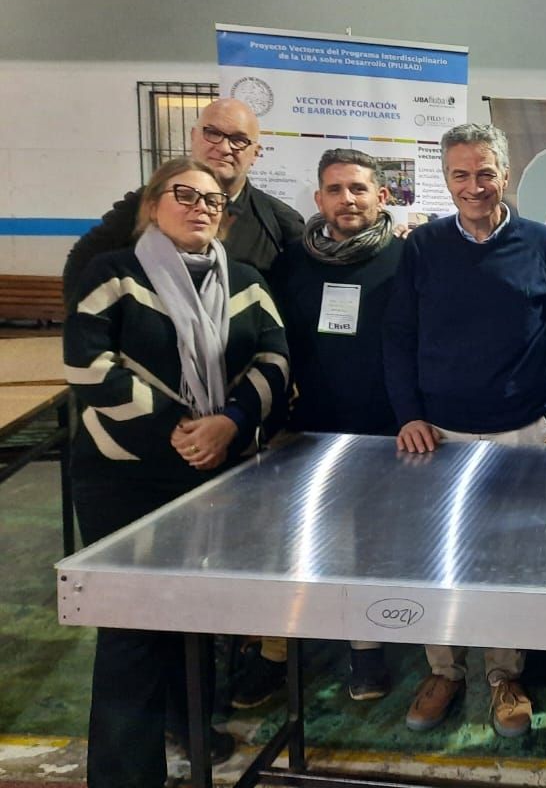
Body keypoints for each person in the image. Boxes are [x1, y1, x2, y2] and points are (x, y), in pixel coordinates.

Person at [63, 157, 289, 788]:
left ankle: (193, 729)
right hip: (125, 477)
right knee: (132, 627)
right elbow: (88, 366)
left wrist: (231, 423)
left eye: (213, 202)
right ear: (153, 203)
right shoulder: (113, 274)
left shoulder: (244, 280)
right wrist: (178, 430)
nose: (200, 208)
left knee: (195, 614)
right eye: (184, 195)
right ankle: (125, 772)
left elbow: (274, 357)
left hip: (215, 469)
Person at [383, 122, 546, 740]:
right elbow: (398, 338)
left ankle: (504, 675)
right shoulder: (422, 248)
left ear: (505, 175)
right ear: (446, 180)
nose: (474, 185)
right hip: (437, 436)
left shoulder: (543, 246)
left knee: (510, 561)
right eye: (461, 174)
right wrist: (409, 414)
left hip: (521, 434)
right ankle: (444, 670)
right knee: (437, 562)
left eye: (485, 172)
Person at [238, 148, 404, 706]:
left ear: (382, 197)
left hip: (382, 430)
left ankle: (367, 651)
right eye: (334, 189)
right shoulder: (291, 263)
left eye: (358, 188)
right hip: (304, 428)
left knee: (372, 546)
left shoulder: (406, 260)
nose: (347, 199)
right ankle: (276, 653)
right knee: (292, 545)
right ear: (318, 199)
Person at [63, 98, 304, 302]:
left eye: (239, 140)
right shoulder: (147, 202)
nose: (224, 147)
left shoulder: (280, 221)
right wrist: (88, 330)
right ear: (193, 136)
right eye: (213, 133)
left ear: (256, 153)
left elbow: (298, 293)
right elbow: (83, 261)